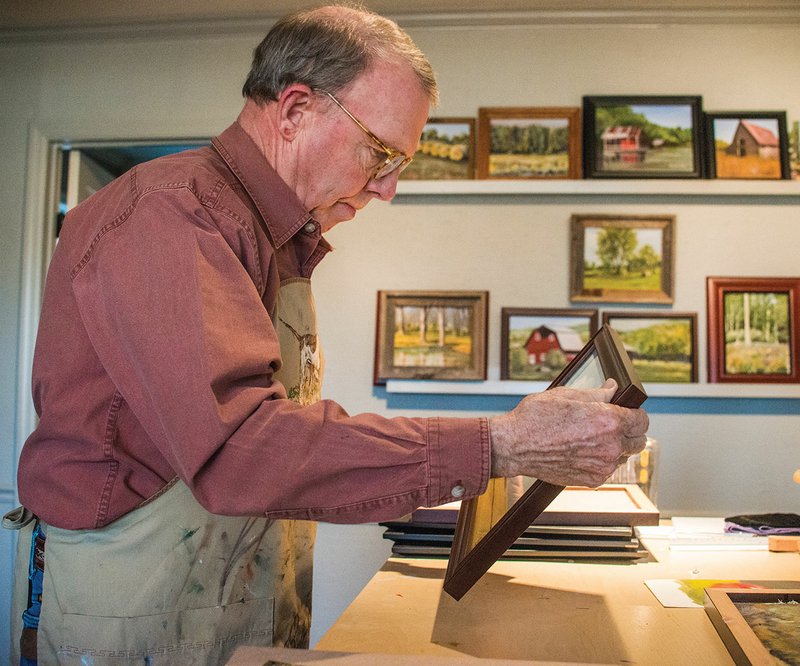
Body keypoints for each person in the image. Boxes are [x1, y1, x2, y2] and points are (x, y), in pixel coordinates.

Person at [6, 4, 649, 664]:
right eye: (380, 153)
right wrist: (501, 444)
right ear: (293, 111)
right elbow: (238, 452)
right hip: (144, 613)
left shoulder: (278, 236)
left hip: (234, 588)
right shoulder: (171, 213)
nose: (389, 188)